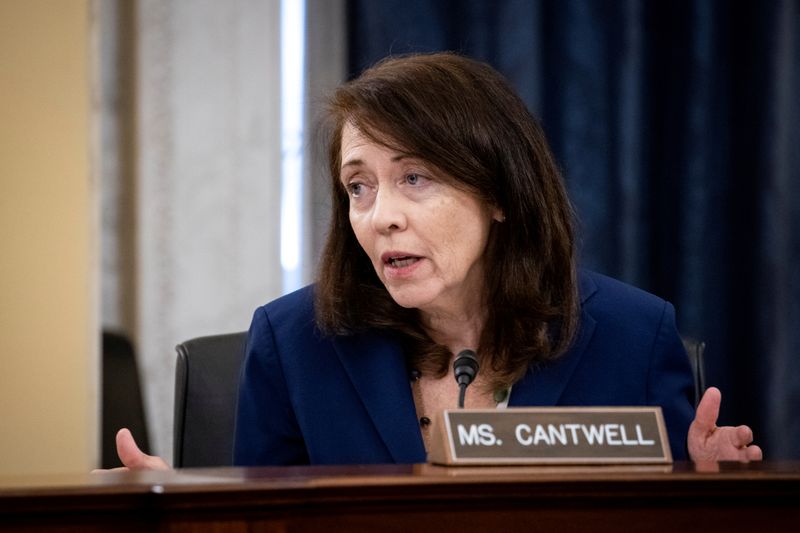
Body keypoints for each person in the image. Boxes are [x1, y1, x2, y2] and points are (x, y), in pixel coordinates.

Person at [109, 52, 761, 471]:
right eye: (358, 186)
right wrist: (195, 513)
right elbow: (262, 521)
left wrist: (709, 495)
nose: (380, 214)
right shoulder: (293, 345)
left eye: (415, 177)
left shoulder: (631, 337)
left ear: (500, 192)